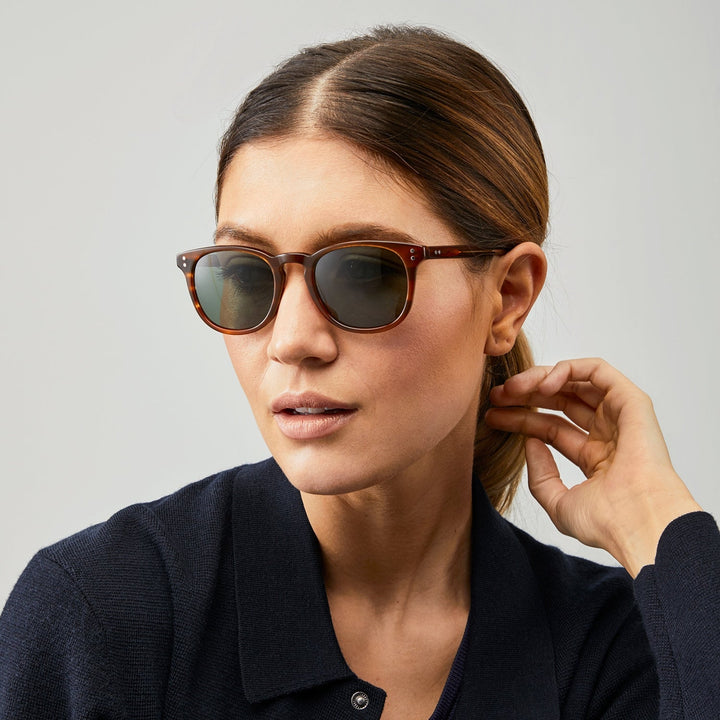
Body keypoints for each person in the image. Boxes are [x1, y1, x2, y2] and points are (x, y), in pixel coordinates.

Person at [1, 25, 718, 720]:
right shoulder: (99, 619)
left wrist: (662, 527)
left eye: (364, 274)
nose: (292, 341)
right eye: (245, 275)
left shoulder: (627, 653)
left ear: (506, 297)